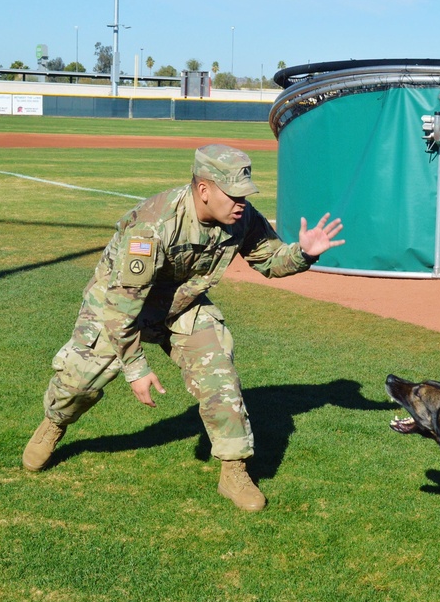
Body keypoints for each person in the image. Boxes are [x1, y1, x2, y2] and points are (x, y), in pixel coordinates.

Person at [22, 144, 345, 512]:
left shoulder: (241, 217)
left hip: (180, 306)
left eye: (245, 194)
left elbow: (269, 260)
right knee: (78, 382)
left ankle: (234, 470)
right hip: (118, 306)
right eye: (233, 194)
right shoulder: (153, 225)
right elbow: (120, 308)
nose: (242, 202)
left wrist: (304, 253)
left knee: (219, 375)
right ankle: (55, 422)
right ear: (204, 189)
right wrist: (137, 369)